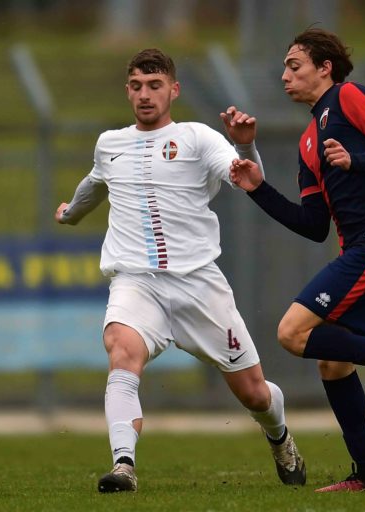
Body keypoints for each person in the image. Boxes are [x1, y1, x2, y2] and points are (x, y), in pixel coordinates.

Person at [55, 48, 306, 493]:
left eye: (155, 86)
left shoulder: (197, 138)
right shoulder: (110, 143)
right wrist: (71, 214)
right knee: (121, 350)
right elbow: (94, 184)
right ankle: (123, 465)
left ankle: (280, 437)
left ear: (174, 90)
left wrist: (244, 145)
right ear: (127, 91)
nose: (145, 95)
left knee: (254, 393)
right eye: (137, 86)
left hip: (198, 285)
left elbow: (247, 177)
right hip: (136, 282)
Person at [229, 28, 365, 492]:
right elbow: (312, 225)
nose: (285, 76)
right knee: (333, 363)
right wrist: (257, 189)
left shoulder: (348, 96)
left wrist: (356, 160)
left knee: (292, 332)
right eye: (285, 68)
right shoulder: (308, 142)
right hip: (362, 249)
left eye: (294, 65)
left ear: (325, 68)